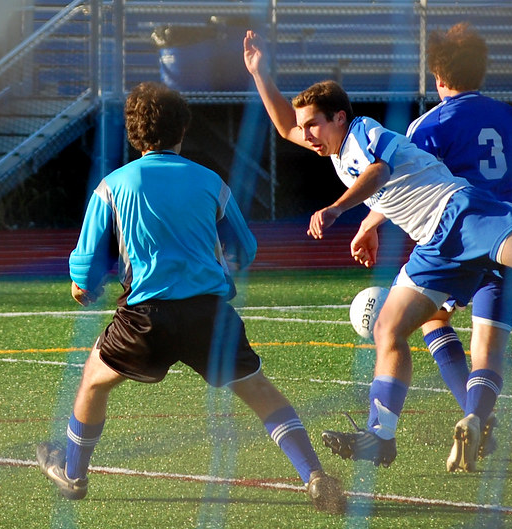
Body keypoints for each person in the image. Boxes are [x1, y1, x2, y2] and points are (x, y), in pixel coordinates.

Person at [242, 30, 512, 469]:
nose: (306, 134)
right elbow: (285, 126)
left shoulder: (364, 130)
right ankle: (381, 436)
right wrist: (259, 73)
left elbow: (379, 172)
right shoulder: (336, 142)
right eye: (305, 127)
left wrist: (338, 209)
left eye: (313, 124)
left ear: (339, 117)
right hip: (435, 242)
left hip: (465, 215)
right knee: (388, 328)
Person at [36, 81, 346, 514]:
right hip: (209, 314)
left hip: (145, 319)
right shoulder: (210, 182)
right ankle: (314, 475)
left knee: (92, 380)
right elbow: (246, 248)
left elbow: (85, 269)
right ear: (183, 129)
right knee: (260, 392)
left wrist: (81, 286)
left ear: (134, 135)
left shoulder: (112, 186)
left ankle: (73, 474)